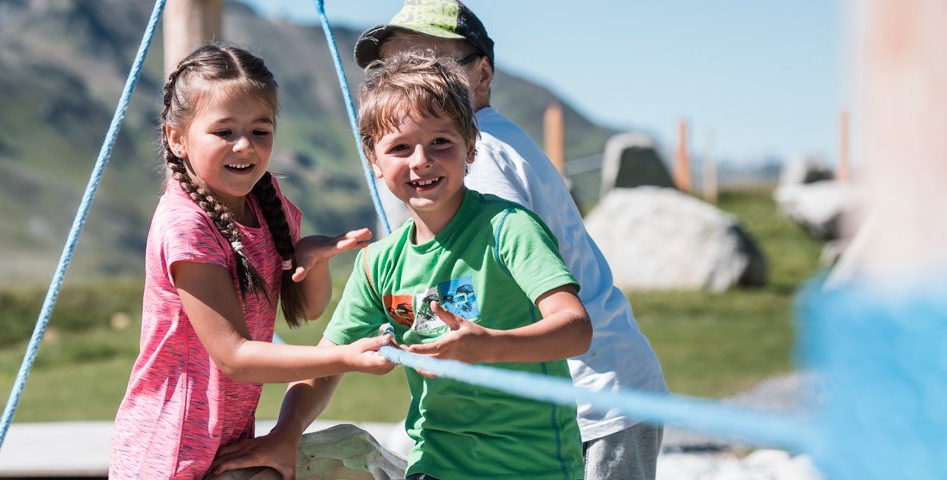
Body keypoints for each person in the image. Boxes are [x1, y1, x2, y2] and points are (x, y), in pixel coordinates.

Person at [214, 52, 593, 479]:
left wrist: (490, 344)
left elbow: (576, 328)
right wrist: (286, 432)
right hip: (433, 465)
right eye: (399, 147)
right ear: (373, 160)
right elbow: (325, 366)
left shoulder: (509, 228)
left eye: (440, 143)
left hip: (533, 469)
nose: (420, 161)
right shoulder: (379, 263)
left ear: (470, 145)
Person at [355, 2, 670, 479]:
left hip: (589, 400)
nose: (414, 79)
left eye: (433, 64)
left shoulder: (482, 157)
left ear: (482, 74)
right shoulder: (487, 140)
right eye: (396, 65)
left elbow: (482, 273)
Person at [107, 44, 394, 479]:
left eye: (260, 131)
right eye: (224, 132)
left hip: (225, 444)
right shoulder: (187, 226)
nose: (245, 146)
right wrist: (347, 359)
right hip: (168, 453)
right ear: (176, 138)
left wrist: (312, 259)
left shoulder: (264, 200)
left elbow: (309, 309)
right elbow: (235, 356)